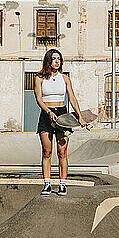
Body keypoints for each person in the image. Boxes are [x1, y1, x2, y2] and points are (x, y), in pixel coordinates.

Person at [34, 49, 86, 196]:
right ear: (48, 60)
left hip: (62, 115)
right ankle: (47, 184)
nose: (57, 61)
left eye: (59, 59)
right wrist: (48, 112)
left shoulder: (65, 78)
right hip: (46, 114)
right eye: (54, 58)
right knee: (47, 152)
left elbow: (72, 99)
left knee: (62, 152)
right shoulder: (39, 78)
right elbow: (39, 99)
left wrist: (80, 117)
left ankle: (62, 184)